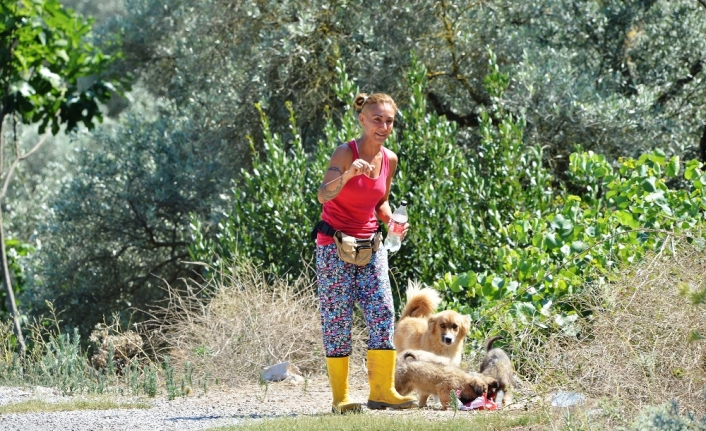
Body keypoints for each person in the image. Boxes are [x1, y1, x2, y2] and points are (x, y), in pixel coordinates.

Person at [313, 92, 416, 413]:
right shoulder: (345, 152)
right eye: (377, 120)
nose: (384, 126)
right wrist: (348, 176)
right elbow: (322, 195)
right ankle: (340, 398)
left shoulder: (390, 159)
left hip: (371, 245)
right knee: (337, 318)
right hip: (334, 247)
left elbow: (380, 202)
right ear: (362, 120)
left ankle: (382, 391)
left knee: (383, 312)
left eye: (389, 121)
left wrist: (392, 220)